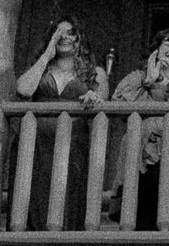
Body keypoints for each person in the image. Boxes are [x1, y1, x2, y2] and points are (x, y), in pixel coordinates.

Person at [13, 18, 109, 229]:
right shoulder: (42, 68)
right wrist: (47, 55)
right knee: (36, 193)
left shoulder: (95, 73)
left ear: (80, 38)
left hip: (74, 144)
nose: (64, 36)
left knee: (68, 194)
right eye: (58, 32)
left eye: (71, 32)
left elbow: (103, 102)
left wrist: (94, 97)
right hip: (36, 144)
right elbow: (24, 90)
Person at [110, 27, 169, 225]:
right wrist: (149, 81)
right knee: (143, 188)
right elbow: (118, 107)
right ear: (156, 49)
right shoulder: (137, 79)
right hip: (141, 154)